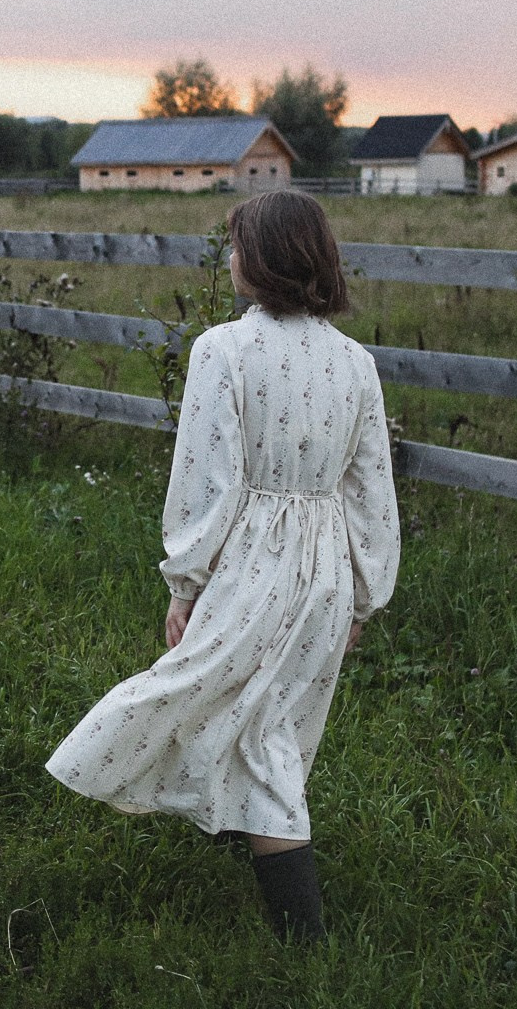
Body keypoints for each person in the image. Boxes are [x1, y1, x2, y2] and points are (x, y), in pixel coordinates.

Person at [46, 189, 399, 941]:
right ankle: (234, 827)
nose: (229, 258)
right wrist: (364, 597)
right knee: (268, 711)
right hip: (327, 564)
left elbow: (209, 480)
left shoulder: (223, 350)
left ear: (263, 259)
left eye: (236, 245)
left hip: (253, 560)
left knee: (234, 717)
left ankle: (303, 939)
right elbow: (371, 492)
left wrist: (187, 583)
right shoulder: (356, 362)